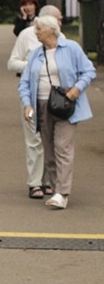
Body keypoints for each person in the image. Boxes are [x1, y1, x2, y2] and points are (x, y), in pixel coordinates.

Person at [19, 15, 96, 210]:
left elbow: (89, 71)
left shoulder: (71, 48)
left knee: (63, 147)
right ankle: (54, 188)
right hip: (42, 105)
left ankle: (62, 192)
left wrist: (76, 89)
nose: (36, 32)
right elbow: (25, 82)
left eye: (39, 29)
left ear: (51, 30)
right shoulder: (36, 54)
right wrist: (27, 104)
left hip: (65, 104)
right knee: (49, 148)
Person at [7, 5, 64, 199]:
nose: (61, 22)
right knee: (35, 140)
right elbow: (12, 63)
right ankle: (34, 183)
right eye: (58, 19)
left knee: (53, 141)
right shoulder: (26, 35)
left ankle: (49, 181)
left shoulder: (61, 38)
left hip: (55, 99)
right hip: (31, 97)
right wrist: (33, 66)